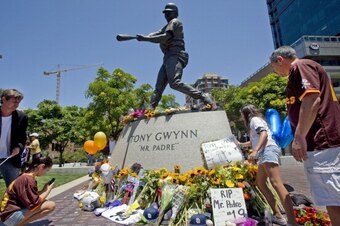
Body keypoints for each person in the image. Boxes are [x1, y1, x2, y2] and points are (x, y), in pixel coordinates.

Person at [270, 46, 340, 225]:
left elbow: (312, 99)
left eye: (274, 68)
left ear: (280, 59)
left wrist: (299, 136)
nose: (276, 73)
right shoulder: (302, 69)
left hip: (323, 141)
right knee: (332, 199)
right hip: (322, 142)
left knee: (334, 199)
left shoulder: (300, 66)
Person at [135, 3, 216, 111]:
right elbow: (157, 33)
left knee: (174, 83)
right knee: (158, 87)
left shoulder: (175, 22)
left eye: (169, 12)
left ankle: (203, 96)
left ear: (175, 13)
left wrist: (145, 38)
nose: (166, 15)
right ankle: (150, 109)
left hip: (176, 55)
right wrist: (147, 36)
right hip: (168, 57)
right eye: (165, 13)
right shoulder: (166, 26)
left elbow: (165, 37)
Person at [239, 104, 297, 226]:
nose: (240, 117)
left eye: (241, 114)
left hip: (267, 150)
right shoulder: (256, 121)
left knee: (276, 183)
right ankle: (278, 215)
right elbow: (255, 140)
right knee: (260, 183)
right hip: (263, 152)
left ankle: (292, 221)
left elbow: (264, 134)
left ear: (246, 113)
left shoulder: (254, 120)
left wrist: (255, 151)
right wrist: (240, 144)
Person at [0, 156, 56, 226]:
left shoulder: (24, 176)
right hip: (10, 218)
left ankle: (19, 223)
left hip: (6, 215)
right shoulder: (29, 180)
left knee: (44, 202)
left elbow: (31, 197)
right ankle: (18, 224)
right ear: (42, 166)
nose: (46, 173)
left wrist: (43, 190)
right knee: (50, 205)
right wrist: (47, 190)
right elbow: (35, 204)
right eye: (47, 170)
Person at [0, 89, 28, 187]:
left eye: (19, 101)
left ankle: (13, 203)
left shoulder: (22, 117)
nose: (17, 104)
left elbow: (22, 138)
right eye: (14, 101)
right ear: (3, 99)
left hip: (10, 157)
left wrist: (18, 148)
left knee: (14, 187)